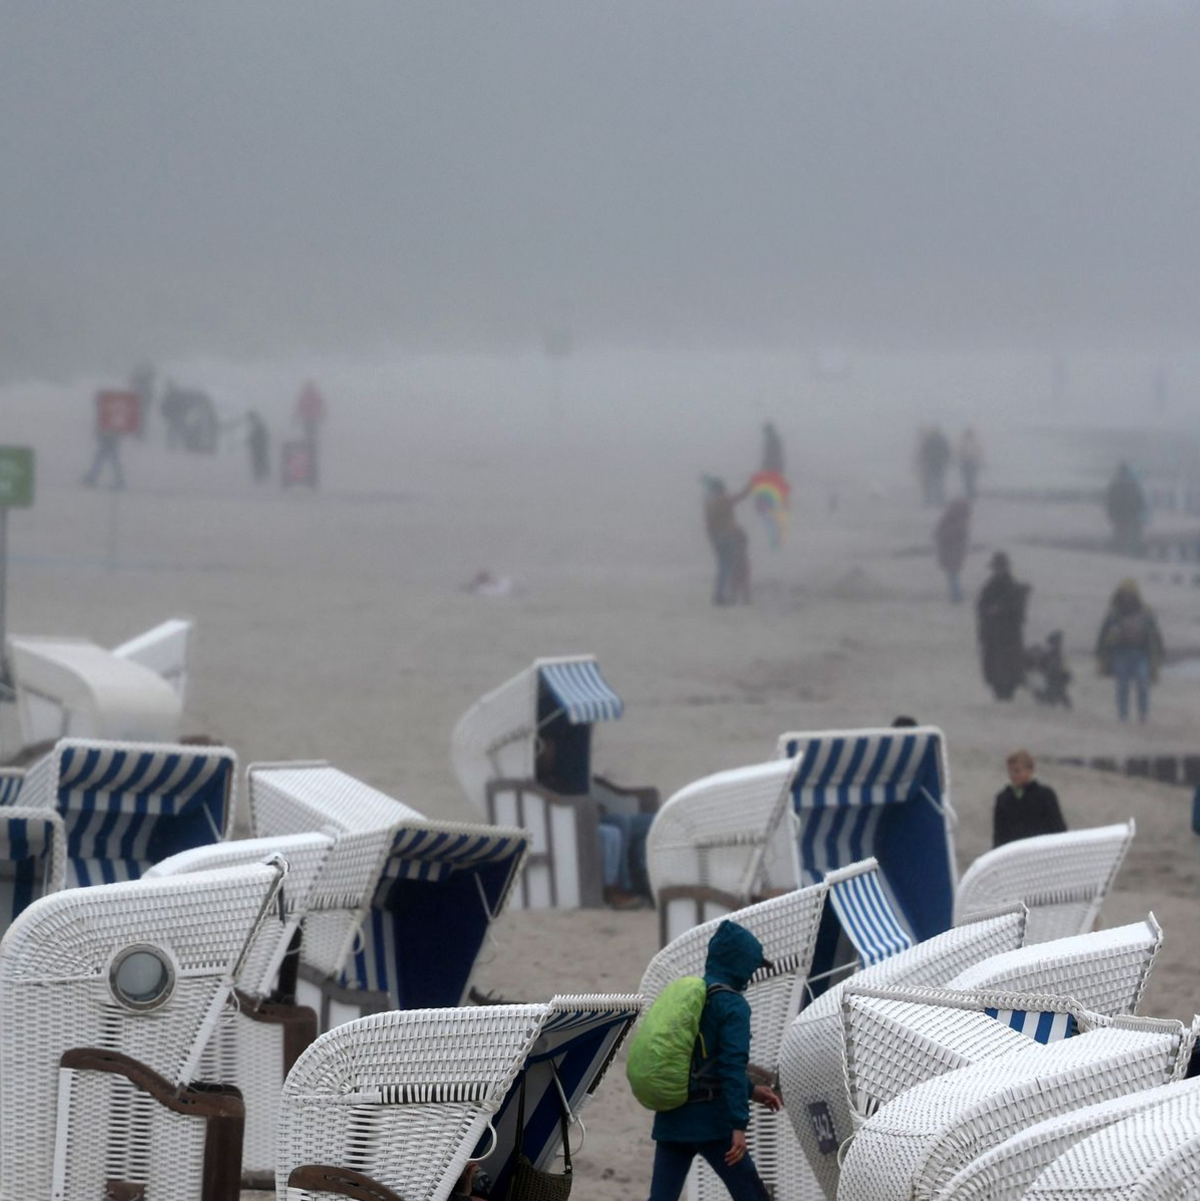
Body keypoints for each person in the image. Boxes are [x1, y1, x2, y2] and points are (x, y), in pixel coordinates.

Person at [647, 920, 782, 1201]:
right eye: (752, 967)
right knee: (752, 1196)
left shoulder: (690, 996)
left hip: (672, 1117)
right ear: (740, 964)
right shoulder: (733, 1006)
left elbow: (699, 1062)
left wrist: (753, 1092)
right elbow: (730, 1067)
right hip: (713, 1123)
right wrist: (738, 1126)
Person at [1095, 579, 1164, 723]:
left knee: (1143, 683)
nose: (1127, 598)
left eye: (1129, 594)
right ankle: (1123, 716)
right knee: (1122, 685)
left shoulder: (1146, 612)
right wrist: (1100, 652)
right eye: (1124, 595)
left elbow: (1155, 634)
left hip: (1141, 654)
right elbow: (1103, 633)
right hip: (1121, 653)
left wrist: (1160, 653)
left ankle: (1143, 715)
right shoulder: (1114, 614)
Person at [976, 552, 1030, 701]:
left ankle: (1007, 693)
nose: (998, 570)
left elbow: (1018, 612)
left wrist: (1001, 609)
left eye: (1000, 567)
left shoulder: (1013, 587)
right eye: (996, 567)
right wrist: (988, 611)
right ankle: (999, 693)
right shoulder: (989, 586)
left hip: (1008, 636)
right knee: (994, 667)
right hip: (992, 635)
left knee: (1008, 667)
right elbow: (980, 606)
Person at [993, 750, 1066, 848]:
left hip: (1040, 850)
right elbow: (999, 835)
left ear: (1030, 770)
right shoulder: (1003, 798)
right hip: (1012, 853)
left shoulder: (1045, 795)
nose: (1013, 776)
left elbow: (1058, 828)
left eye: (1017, 771)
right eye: (1010, 771)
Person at [704, 478, 752, 606]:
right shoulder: (724, 500)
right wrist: (751, 485)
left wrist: (712, 539)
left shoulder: (709, 503)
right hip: (728, 537)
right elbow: (740, 496)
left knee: (723, 567)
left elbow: (708, 525)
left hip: (716, 539)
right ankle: (723, 595)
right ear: (721, 489)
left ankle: (721, 594)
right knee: (732, 566)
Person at [1105, 462, 1147, 555]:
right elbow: (1140, 501)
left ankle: (1119, 552)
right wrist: (1138, 513)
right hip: (1132, 515)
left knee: (1119, 535)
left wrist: (1111, 515)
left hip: (1119, 516)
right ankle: (1135, 554)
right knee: (1134, 537)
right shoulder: (1134, 485)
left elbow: (1109, 502)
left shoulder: (1114, 485)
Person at [934, 498, 971, 603]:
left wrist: (940, 535)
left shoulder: (954, 523)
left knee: (952, 578)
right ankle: (957, 595)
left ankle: (956, 596)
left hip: (951, 556)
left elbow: (942, 535)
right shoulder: (961, 523)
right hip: (954, 556)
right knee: (953, 577)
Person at [916, 426, 952, 507]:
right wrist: (946, 461)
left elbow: (923, 452)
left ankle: (929, 500)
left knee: (930, 482)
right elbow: (947, 451)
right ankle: (940, 500)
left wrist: (922, 461)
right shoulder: (942, 440)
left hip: (930, 464)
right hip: (939, 464)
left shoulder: (929, 440)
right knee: (939, 482)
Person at [958, 428, 983, 500]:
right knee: (970, 478)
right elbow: (979, 452)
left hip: (968, 462)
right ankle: (971, 493)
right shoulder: (974, 443)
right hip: (970, 463)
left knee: (969, 479)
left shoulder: (964, 443)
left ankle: (970, 493)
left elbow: (959, 452)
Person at [246, 410, 270, 482]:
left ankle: (260, 476)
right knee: (261, 460)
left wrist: (250, 440)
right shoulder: (257, 423)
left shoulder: (257, 424)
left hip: (258, 447)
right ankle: (263, 475)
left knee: (259, 461)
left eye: (249, 418)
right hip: (259, 446)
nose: (249, 420)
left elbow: (257, 436)